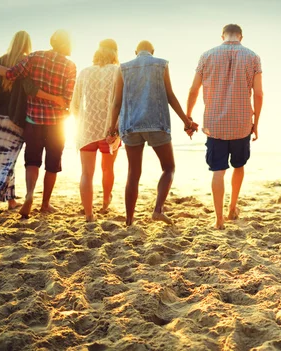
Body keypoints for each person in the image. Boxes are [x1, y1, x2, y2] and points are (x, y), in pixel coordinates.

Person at [0, 31, 66, 219]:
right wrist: (57, 99)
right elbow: (31, 89)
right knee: (9, 161)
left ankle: (11, 201)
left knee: (0, 160)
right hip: (17, 119)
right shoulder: (26, 63)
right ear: (27, 44)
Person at [107, 40, 198, 226]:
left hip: (130, 125)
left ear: (135, 51)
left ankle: (129, 220)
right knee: (168, 167)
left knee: (133, 172)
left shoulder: (122, 68)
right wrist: (186, 121)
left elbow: (117, 102)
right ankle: (158, 210)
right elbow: (170, 95)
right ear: (153, 51)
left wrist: (111, 127)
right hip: (157, 124)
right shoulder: (161, 64)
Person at [0, 29, 77, 218]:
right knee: (52, 164)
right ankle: (45, 204)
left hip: (33, 120)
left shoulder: (34, 57)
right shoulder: (70, 66)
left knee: (32, 161)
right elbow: (67, 98)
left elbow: (11, 74)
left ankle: (29, 195)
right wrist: (57, 100)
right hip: (57, 123)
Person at [186, 24, 263, 230]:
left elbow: (194, 89)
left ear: (222, 36)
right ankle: (232, 208)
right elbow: (259, 93)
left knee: (218, 170)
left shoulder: (207, 56)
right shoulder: (253, 57)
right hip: (241, 123)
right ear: (241, 36)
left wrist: (188, 115)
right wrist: (256, 123)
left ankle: (218, 219)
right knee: (239, 165)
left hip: (215, 124)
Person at [71, 39, 121, 222]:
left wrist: (83, 122)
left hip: (86, 130)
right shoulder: (118, 71)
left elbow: (74, 106)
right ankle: (106, 201)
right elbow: (121, 102)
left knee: (86, 173)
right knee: (107, 168)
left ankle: (89, 214)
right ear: (115, 53)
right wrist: (117, 127)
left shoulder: (84, 72)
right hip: (110, 131)